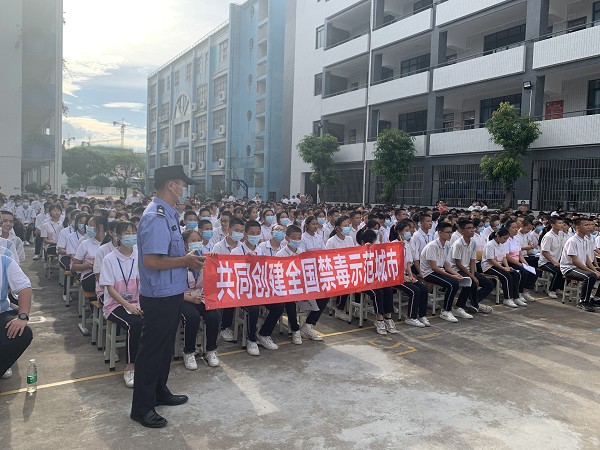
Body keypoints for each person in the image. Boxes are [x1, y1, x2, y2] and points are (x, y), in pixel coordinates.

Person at [131, 165, 204, 428]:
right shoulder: (156, 217)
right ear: (172, 185)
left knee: (164, 349)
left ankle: (159, 391)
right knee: (151, 351)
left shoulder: (169, 215)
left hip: (172, 292)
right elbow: (152, 260)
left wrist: (186, 259)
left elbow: (169, 255)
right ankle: (141, 408)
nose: (184, 190)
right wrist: (185, 260)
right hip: (159, 295)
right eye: (182, 185)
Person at [99, 221, 142, 388]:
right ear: (117, 235)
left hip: (137, 302)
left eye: (133, 232)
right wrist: (128, 306)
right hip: (115, 304)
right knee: (134, 324)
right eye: (126, 233)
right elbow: (110, 289)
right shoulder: (109, 259)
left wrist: (141, 304)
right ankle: (130, 367)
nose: (131, 236)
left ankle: (147, 360)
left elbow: (143, 282)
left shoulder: (139, 255)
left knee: (154, 318)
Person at [180, 230, 221, 369]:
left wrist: (214, 261)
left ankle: (211, 350)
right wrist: (190, 299)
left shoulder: (205, 258)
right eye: (193, 241)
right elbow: (172, 290)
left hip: (201, 296)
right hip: (183, 298)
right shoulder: (179, 261)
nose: (197, 243)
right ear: (185, 244)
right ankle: (189, 351)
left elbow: (215, 279)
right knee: (193, 317)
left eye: (199, 240)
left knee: (213, 315)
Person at [420, 222, 467, 323]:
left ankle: (458, 307)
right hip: (429, 273)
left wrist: (456, 274)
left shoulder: (446, 245)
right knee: (452, 284)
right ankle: (446, 310)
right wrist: (451, 276)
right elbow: (433, 267)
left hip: (439, 270)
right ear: (440, 233)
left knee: (464, 281)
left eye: (451, 232)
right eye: (447, 232)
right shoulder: (433, 246)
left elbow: (447, 265)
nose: (450, 235)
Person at [0, 253, 33, 380]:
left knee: (22, 333)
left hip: (2, 312)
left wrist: (22, 317)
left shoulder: (5, 261)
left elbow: (24, 287)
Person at [450, 220, 494, 314]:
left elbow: (472, 260)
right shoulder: (458, 244)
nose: (472, 230)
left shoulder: (473, 242)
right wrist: (472, 276)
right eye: (469, 228)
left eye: (473, 228)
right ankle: (459, 306)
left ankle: (471, 302)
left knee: (489, 285)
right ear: (462, 231)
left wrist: (473, 274)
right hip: (457, 270)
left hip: (468, 270)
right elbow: (458, 264)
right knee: (471, 282)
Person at [393, 221, 430, 328]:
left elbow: (408, 263)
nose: (409, 232)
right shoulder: (393, 244)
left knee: (423, 288)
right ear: (399, 232)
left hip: (405, 275)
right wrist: (402, 276)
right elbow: (393, 265)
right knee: (415, 291)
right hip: (395, 276)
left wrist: (410, 275)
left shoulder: (407, 244)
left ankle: (422, 315)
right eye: (406, 230)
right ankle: (411, 317)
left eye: (409, 230)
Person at [560, 218, 600, 312]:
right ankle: (583, 302)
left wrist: (595, 269)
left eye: (590, 225)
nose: (589, 227)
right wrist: (592, 271)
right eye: (586, 225)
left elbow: (586, 258)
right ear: (578, 227)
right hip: (569, 268)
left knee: (595, 272)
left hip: (580, 267)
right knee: (590, 276)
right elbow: (575, 261)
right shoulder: (572, 241)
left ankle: (596, 299)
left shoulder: (585, 240)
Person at [482, 228, 523, 308]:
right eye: (504, 238)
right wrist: (504, 268)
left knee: (515, 274)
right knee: (506, 276)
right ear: (498, 236)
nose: (505, 240)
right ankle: (507, 298)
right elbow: (491, 260)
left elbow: (504, 257)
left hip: (499, 265)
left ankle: (516, 297)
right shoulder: (490, 245)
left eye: (507, 239)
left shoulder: (502, 244)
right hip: (489, 266)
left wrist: (507, 267)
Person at [539, 217, 566, 299]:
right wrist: (553, 262)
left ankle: (559, 288)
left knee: (566, 269)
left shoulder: (561, 234)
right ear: (553, 225)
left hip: (556, 260)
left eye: (562, 223)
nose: (561, 225)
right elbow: (544, 252)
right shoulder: (548, 236)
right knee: (558, 272)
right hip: (545, 262)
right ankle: (551, 290)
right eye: (559, 223)